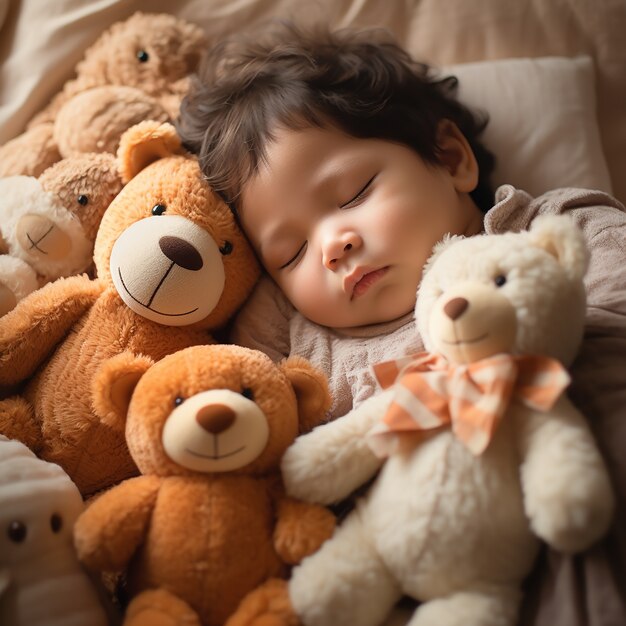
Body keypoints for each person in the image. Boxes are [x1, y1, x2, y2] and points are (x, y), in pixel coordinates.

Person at [178, 22, 626, 626]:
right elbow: (247, 414)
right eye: (290, 253)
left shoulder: (545, 231)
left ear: (450, 156)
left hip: (582, 474)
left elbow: (614, 308)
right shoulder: (299, 334)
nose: (332, 246)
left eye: (354, 192)